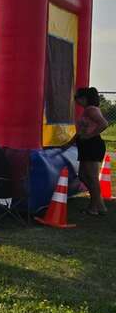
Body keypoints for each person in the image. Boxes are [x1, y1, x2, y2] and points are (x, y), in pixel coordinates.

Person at [64, 87, 109, 216]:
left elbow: (104, 124)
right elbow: (79, 133)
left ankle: (95, 207)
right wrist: (68, 144)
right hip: (86, 145)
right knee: (83, 176)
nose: (76, 101)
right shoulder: (87, 111)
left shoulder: (90, 110)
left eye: (76, 98)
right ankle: (98, 203)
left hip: (92, 145)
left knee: (92, 177)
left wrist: (90, 136)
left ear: (84, 98)